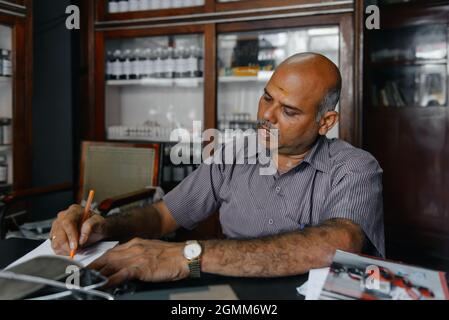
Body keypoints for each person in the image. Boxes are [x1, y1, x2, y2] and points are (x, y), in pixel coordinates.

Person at [50, 53, 384, 286]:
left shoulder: (354, 167)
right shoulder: (232, 156)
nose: (266, 116)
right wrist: (104, 227)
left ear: (325, 121)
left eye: (289, 111)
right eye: (267, 98)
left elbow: (337, 245)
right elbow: (164, 215)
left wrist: (188, 255)